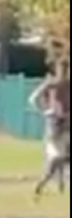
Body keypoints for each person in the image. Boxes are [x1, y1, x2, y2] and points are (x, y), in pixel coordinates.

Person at [30, 60, 70, 198]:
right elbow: (33, 98)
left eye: (66, 69)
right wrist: (46, 111)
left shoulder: (68, 85)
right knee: (57, 159)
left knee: (62, 157)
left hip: (66, 125)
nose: (64, 73)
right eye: (62, 69)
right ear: (57, 70)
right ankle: (42, 185)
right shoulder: (51, 84)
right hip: (54, 125)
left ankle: (60, 185)